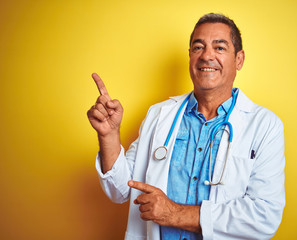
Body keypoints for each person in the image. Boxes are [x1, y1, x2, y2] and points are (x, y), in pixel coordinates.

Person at [87, 13, 285, 240]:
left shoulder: (265, 125)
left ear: (239, 59)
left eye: (219, 48)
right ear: (190, 55)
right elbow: (121, 190)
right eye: (198, 47)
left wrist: (174, 213)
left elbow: (264, 217)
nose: (207, 55)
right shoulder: (159, 115)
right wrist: (109, 136)